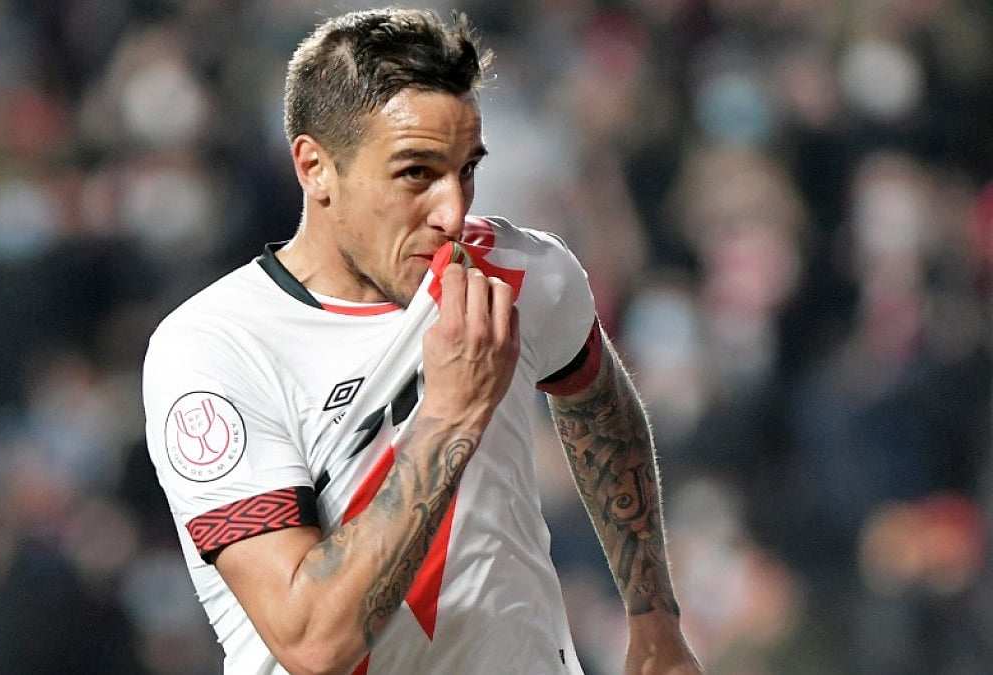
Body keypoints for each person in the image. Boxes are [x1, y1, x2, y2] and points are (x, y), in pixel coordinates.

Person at [142, 7, 703, 674]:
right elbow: (313, 641)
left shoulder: (523, 272)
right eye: (415, 173)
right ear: (315, 167)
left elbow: (599, 401)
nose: (453, 210)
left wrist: (652, 613)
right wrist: (450, 413)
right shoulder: (215, 349)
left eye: (467, 168)